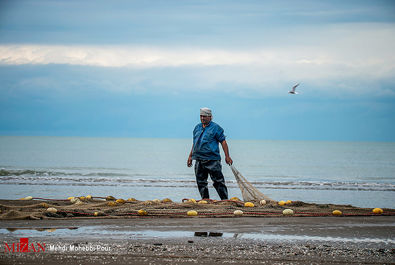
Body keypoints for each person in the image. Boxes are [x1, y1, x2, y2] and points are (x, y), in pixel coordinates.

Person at [187, 107, 233, 200]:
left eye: (205, 116)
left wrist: (227, 156)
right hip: (199, 159)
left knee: (218, 182)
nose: (202, 118)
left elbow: (223, 142)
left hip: (212, 160)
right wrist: (190, 156)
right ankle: (205, 200)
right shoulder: (197, 128)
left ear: (210, 117)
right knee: (201, 182)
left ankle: (225, 200)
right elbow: (195, 142)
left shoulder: (216, 128)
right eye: (201, 116)